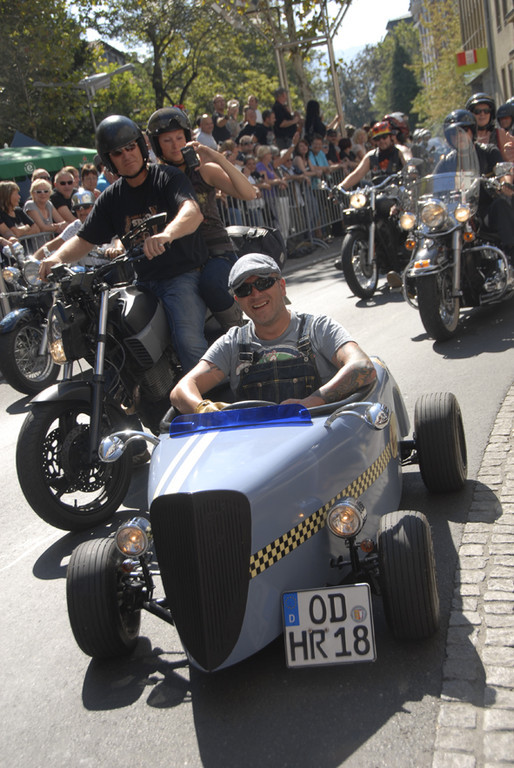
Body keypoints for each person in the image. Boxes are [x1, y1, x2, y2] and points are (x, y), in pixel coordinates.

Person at [39, 114, 209, 372]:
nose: (127, 155)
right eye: (118, 153)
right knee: (121, 341)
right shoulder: (111, 198)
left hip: (181, 276)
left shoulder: (167, 177)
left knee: (188, 343)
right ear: (109, 161)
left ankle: (206, 394)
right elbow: (84, 239)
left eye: (130, 147)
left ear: (141, 147)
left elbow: (192, 212)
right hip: (142, 282)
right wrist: (56, 258)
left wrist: (166, 234)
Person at [170, 252, 377, 413]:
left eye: (263, 283)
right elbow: (181, 390)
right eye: (244, 289)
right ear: (237, 301)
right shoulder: (232, 343)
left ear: (282, 286)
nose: (255, 294)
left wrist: (312, 401)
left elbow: (363, 367)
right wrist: (205, 410)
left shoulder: (318, 328)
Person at [147, 106, 257, 331]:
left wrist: (216, 157)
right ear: (157, 145)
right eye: (167, 140)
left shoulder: (204, 170)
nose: (175, 145)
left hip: (215, 252)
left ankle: (238, 331)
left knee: (212, 284)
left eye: (179, 138)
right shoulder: (156, 178)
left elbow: (249, 193)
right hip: (180, 257)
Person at [437, 109, 514, 262]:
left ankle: (511, 254)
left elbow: (503, 171)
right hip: (456, 214)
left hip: (484, 211)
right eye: (454, 133)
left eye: (464, 130)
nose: (459, 136)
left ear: (472, 131)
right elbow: (433, 185)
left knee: (500, 205)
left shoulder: (488, 151)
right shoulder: (446, 162)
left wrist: (505, 183)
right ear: (449, 137)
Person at [33, 190, 109, 267]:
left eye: (86, 207)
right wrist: (33, 260)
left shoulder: (106, 222)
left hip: (109, 267)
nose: (82, 211)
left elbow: (115, 240)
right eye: (77, 208)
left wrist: (114, 250)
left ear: (94, 207)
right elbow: (53, 244)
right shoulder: (76, 225)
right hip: (87, 270)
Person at [338, 121, 407, 191]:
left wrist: (411, 167)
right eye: (377, 138)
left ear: (390, 137)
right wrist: (341, 187)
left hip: (399, 193)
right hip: (377, 194)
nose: (381, 141)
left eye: (384, 137)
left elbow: (408, 160)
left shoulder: (400, 150)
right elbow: (357, 174)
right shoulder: (371, 156)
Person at [465, 93, 514, 161]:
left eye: (486, 111)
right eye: (477, 111)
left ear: (491, 114)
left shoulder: (500, 134)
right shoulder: (464, 136)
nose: (482, 114)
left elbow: (508, 161)